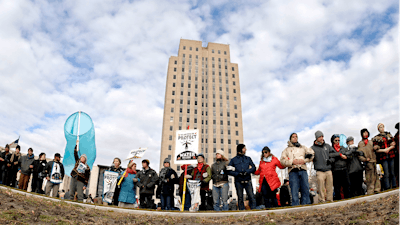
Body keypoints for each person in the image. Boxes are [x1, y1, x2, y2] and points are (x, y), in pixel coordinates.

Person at [280, 133, 314, 206]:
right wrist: (291, 162)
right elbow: (282, 161)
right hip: (293, 171)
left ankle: (306, 205)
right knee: (294, 190)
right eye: (293, 137)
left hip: (303, 169)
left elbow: (312, 154)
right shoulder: (286, 150)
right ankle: (295, 206)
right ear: (290, 139)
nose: (295, 138)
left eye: (296, 137)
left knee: (305, 188)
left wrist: (304, 160)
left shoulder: (303, 148)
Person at [228, 144, 256, 210]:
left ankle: (254, 210)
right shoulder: (233, 160)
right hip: (238, 182)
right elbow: (228, 171)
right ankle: (242, 211)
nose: (245, 150)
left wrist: (247, 171)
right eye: (244, 148)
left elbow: (254, 168)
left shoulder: (248, 158)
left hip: (248, 181)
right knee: (240, 198)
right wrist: (237, 174)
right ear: (240, 149)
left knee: (251, 196)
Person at [311, 131, 334, 203]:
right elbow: (310, 155)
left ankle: (330, 199)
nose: (321, 138)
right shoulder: (312, 148)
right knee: (321, 187)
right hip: (319, 170)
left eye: (322, 136)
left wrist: (331, 160)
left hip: (328, 169)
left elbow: (333, 154)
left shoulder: (327, 146)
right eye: (319, 137)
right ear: (316, 138)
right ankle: (321, 200)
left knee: (329, 186)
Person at [372, 123, 396, 190]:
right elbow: (376, 149)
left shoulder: (389, 135)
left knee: (392, 171)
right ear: (378, 129)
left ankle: (394, 186)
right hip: (383, 157)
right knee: (386, 172)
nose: (382, 128)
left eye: (382, 127)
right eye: (380, 127)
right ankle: (387, 187)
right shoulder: (376, 138)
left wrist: (389, 148)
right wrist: (383, 150)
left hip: (391, 155)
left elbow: (393, 144)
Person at [358, 128, 381, 194]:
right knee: (369, 177)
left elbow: (377, 146)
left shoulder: (371, 141)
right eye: (364, 133)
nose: (366, 134)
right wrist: (365, 159)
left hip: (374, 160)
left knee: (376, 175)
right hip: (367, 162)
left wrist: (376, 147)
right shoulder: (360, 143)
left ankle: (377, 189)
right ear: (362, 134)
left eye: (366, 132)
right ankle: (370, 191)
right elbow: (359, 155)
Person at [330, 134, 351, 200]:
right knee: (337, 187)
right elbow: (330, 155)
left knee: (347, 185)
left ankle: (348, 198)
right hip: (336, 170)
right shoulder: (331, 149)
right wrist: (340, 155)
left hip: (344, 168)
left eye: (338, 140)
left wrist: (346, 157)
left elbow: (349, 155)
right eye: (336, 140)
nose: (337, 142)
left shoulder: (343, 148)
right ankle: (338, 199)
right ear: (333, 141)